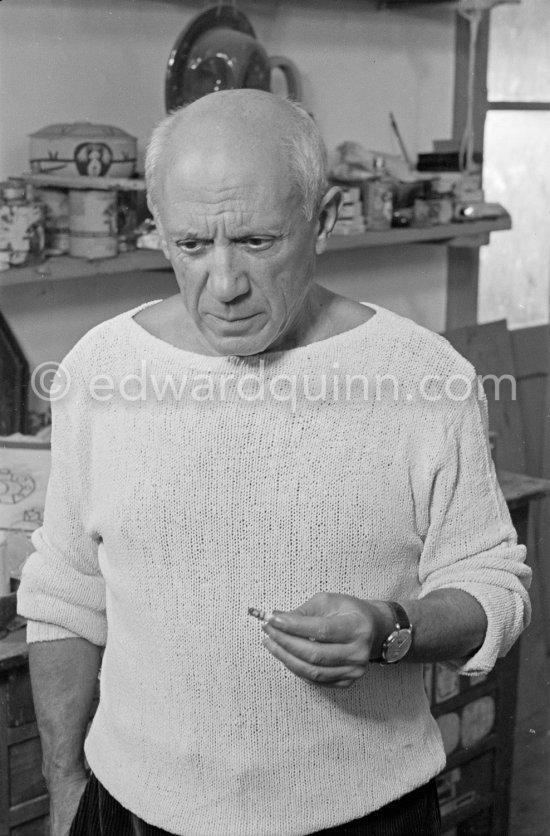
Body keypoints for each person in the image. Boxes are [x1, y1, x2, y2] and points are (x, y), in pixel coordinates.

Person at [17, 89, 531, 836]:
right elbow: (64, 591)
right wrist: (64, 784)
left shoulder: (421, 375)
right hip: (130, 811)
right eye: (192, 246)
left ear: (322, 221)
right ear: (156, 229)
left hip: (367, 816)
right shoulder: (99, 371)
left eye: (257, 242)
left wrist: (396, 627)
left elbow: (493, 582)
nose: (223, 286)